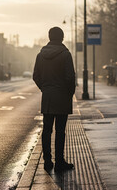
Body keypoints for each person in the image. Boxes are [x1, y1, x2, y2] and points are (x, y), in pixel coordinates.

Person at [33, 26, 76, 173]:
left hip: (48, 98)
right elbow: (70, 78)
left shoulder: (40, 55)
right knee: (60, 131)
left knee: (46, 130)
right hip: (62, 97)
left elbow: (35, 76)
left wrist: (45, 88)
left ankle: (47, 162)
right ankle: (59, 162)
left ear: (49, 37)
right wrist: (69, 94)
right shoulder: (66, 55)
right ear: (62, 38)